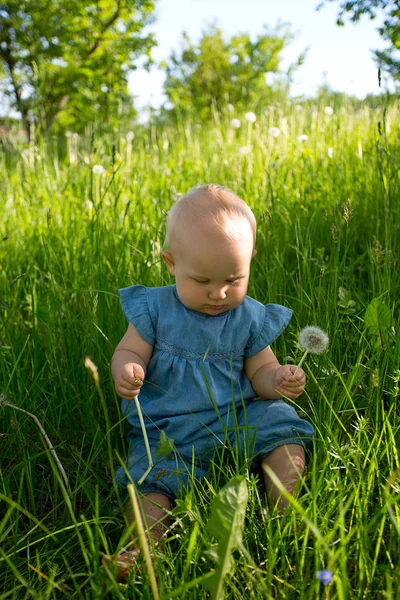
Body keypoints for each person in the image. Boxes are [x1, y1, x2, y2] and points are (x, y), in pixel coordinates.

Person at [106, 183, 315, 578]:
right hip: (169, 432)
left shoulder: (249, 317)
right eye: (202, 281)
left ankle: (288, 513)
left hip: (235, 420)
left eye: (233, 279)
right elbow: (129, 351)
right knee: (152, 482)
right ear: (171, 263)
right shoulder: (154, 309)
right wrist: (127, 369)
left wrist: (279, 379)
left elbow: (259, 374)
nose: (218, 293)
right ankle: (142, 547)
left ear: (250, 261)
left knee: (281, 428)